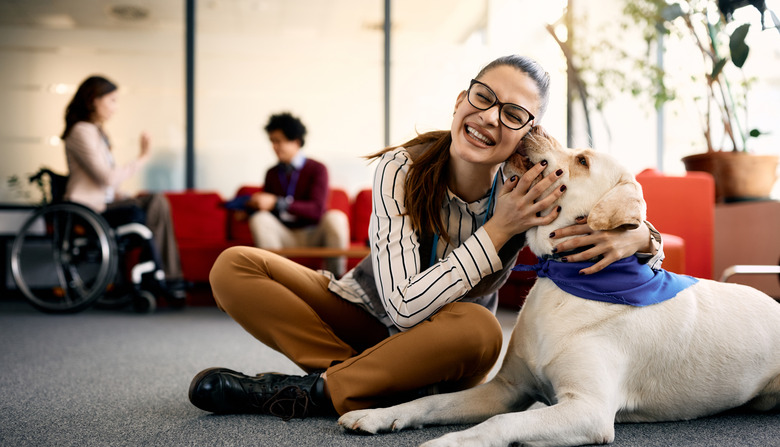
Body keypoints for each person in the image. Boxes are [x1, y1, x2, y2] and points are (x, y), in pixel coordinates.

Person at [188, 55, 663, 420]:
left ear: (527, 133)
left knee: (480, 330)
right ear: (460, 102)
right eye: (483, 98)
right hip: (365, 312)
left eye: (514, 113)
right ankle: (361, 382)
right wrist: (500, 228)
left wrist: (640, 237)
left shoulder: (533, 183)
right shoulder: (403, 167)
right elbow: (400, 308)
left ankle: (321, 390)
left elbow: (605, 202)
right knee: (234, 266)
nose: (491, 117)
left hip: (446, 344)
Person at [61, 75, 186, 300]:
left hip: (104, 203)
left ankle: (162, 276)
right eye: (112, 101)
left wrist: (122, 194)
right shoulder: (81, 131)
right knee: (152, 205)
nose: (115, 108)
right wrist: (143, 157)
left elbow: (106, 184)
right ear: (93, 100)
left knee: (156, 201)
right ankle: (162, 277)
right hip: (89, 210)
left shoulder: (97, 133)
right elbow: (106, 177)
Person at [245, 112, 349, 276]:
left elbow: (316, 211)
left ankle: (337, 281)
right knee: (259, 219)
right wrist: (250, 209)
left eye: (278, 141)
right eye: (272, 141)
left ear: (296, 141)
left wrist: (278, 202)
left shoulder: (317, 169)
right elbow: (269, 212)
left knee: (336, 218)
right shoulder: (272, 173)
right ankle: (276, 280)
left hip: (313, 233)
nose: (274, 147)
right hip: (284, 234)